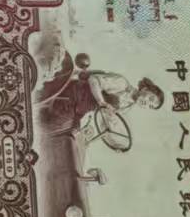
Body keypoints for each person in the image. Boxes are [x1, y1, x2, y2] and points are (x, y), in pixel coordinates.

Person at [35, 50, 163, 151]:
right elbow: (94, 80)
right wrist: (102, 102)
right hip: (71, 96)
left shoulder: (126, 107)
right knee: (51, 129)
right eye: (150, 98)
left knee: (72, 139)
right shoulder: (121, 84)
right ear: (145, 88)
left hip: (78, 111)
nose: (147, 103)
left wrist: (116, 145)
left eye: (150, 106)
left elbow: (105, 122)